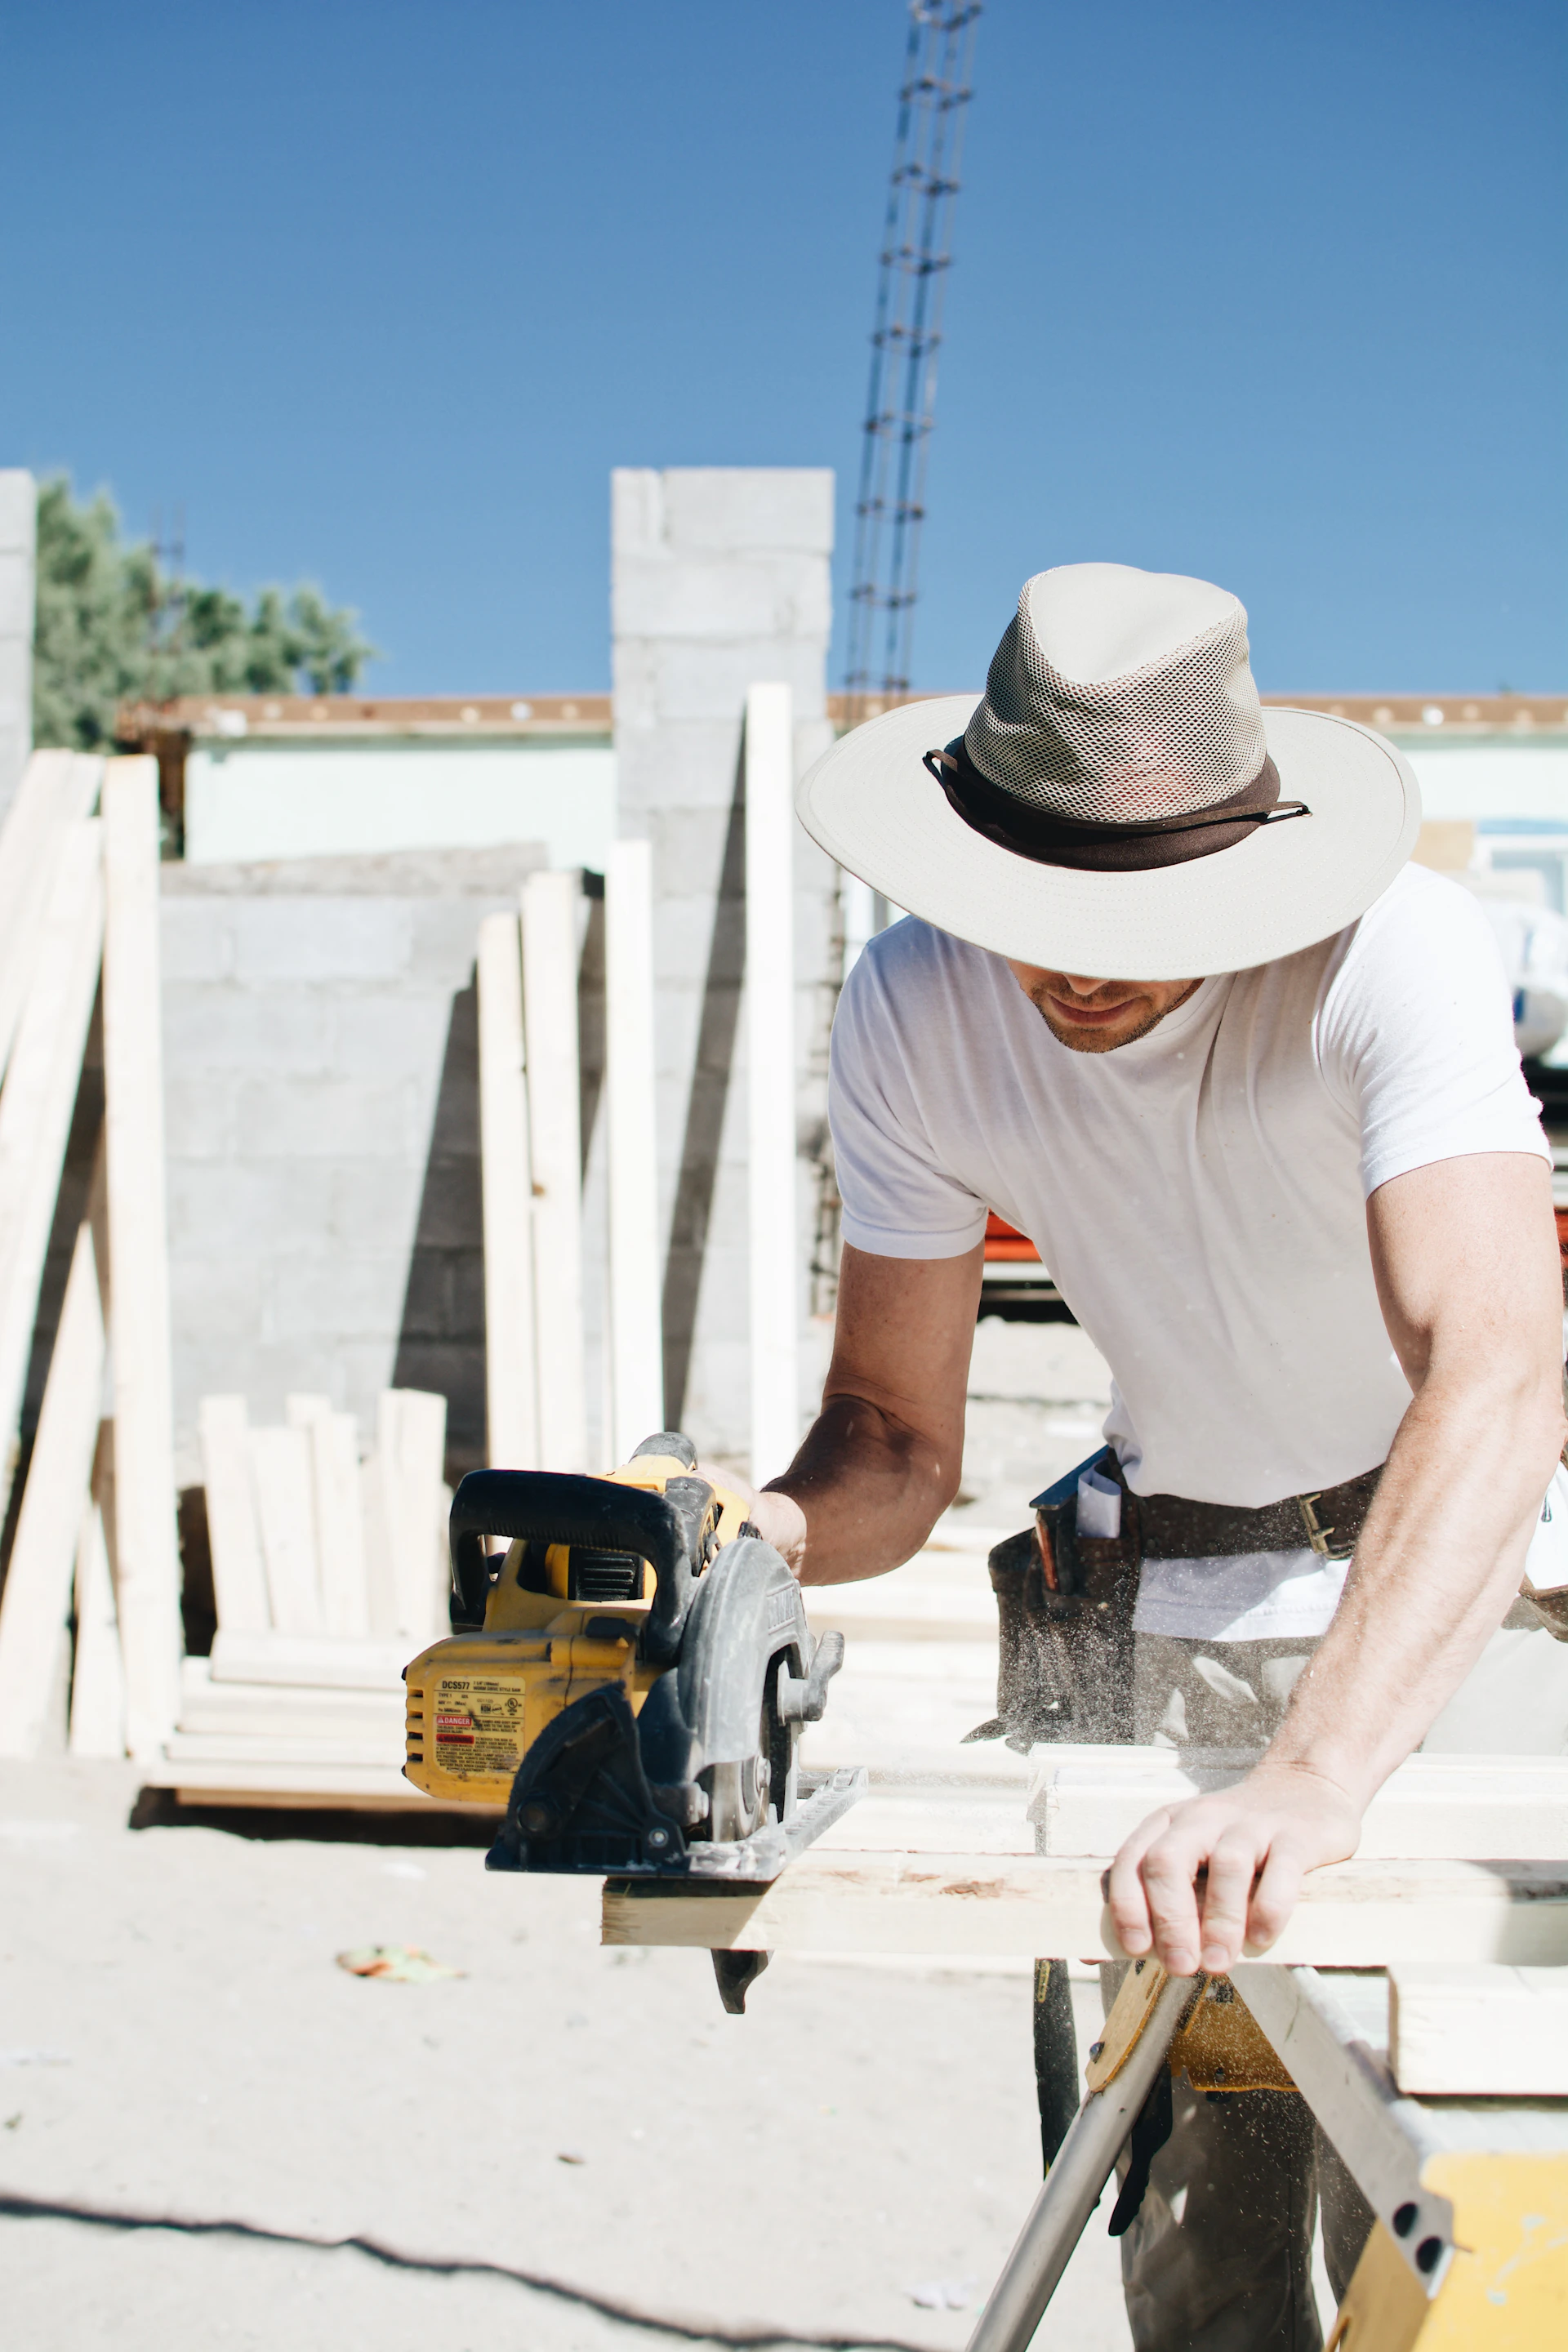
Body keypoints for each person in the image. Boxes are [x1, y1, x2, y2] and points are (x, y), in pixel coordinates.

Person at [742, 563, 1566, 2351]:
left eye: (1131, 915)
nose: (1070, 965)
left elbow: (1498, 1381)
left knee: (1440, 2225)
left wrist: (1321, 1777)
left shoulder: (1393, 953)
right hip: (1167, 1607)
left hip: (1450, 1615)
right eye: (1029, 901)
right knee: (1201, 2233)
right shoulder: (908, 1010)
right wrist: (740, 1540)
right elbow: (888, 1440)